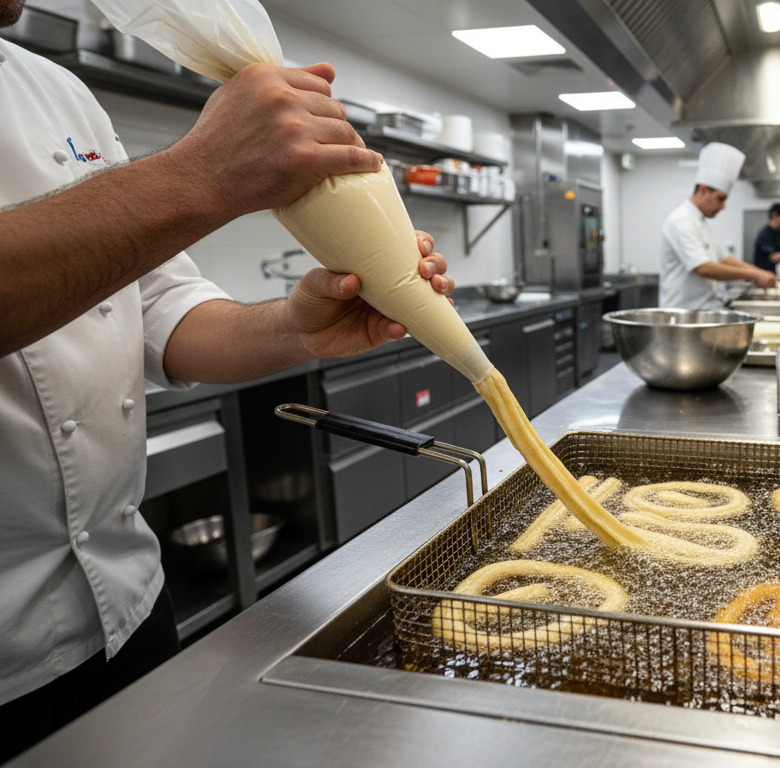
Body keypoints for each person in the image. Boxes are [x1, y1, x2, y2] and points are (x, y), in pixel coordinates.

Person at [0, 10, 455, 759]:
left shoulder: (57, 90)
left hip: (128, 605)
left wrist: (296, 327)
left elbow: (158, 309)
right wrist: (202, 173)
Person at [658, 142, 776, 309]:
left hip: (703, 312)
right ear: (704, 190)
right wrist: (754, 273)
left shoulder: (700, 222)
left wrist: (757, 273)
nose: (723, 207)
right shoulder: (681, 220)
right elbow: (703, 268)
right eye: (720, 199)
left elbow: (724, 257)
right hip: (682, 315)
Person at [752, 202, 780, 275]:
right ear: (775, 216)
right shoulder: (766, 234)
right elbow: (773, 257)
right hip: (763, 274)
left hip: (775, 275)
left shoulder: (779, 233)